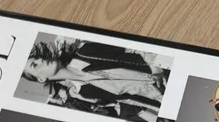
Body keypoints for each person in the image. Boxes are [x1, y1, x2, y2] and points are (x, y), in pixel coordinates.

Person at [22, 37, 168, 110]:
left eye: (37, 58)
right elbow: (128, 100)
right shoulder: (83, 92)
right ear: (41, 79)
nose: (41, 60)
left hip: (168, 73)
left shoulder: (86, 52)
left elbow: (135, 45)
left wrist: (156, 68)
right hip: (162, 99)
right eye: (35, 65)